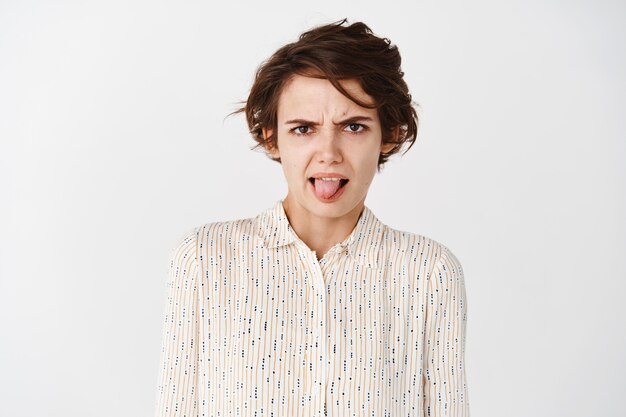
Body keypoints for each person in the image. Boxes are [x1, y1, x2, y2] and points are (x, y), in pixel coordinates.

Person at [154, 18, 470, 417]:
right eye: (304, 129)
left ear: (388, 134)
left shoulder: (429, 272)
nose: (329, 153)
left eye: (353, 126)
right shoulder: (204, 259)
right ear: (272, 138)